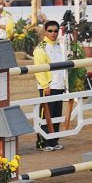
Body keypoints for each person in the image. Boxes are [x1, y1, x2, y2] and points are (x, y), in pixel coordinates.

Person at [33, 20, 65, 151]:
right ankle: (42, 142)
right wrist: (45, 85)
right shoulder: (41, 48)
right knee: (46, 115)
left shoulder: (58, 46)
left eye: (56, 31)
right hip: (48, 87)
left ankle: (54, 140)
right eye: (50, 30)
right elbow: (39, 69)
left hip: (59, 86)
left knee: (56, 115)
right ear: (45, 32)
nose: (53, 33)